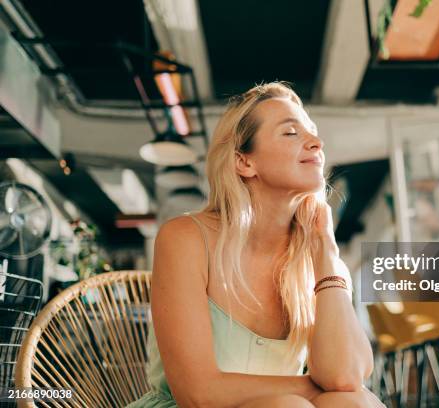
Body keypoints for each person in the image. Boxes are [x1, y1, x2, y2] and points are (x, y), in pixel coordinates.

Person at [127, 82, 384, 407]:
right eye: (291, 133)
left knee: (354, 404)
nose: (317, 143)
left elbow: (346, 379)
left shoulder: (317, 259)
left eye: (313, 132)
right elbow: (198, 394)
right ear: (244, 162)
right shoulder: (185, 238)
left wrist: (326, 248)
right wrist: (314, 392)